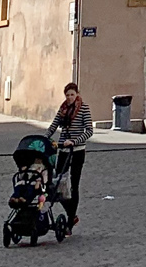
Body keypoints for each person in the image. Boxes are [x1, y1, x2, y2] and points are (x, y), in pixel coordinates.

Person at [52, 83, 95, 225]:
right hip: (63, 150)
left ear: (77, 94)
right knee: (57, 183)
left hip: (77, 151)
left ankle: (70, 220)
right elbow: (54, 125)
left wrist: (75, 141)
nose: (69, 97)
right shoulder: (63, 108)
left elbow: (89, 130)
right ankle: (72, 213)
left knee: (74, 184)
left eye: (72, 94)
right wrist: (45, 139)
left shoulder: (84, 108)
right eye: (67, 95)